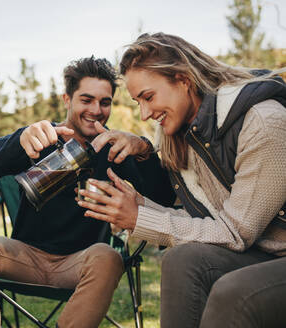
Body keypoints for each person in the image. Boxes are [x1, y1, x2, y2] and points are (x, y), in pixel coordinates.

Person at [78, 33, 286, 328]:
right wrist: (139, 207)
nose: (145, 113)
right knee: (181, 260)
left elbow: (235, 232)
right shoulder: (186, 136)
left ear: (184, 80)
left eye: (148, 97)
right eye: (138, 102)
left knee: (233, 294)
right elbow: (204, 221)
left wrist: (141, 219)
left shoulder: (263, 123)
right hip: (261, 252)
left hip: (267, 252)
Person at [0, 56, 175, 328]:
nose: (96, 109)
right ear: (67, 99)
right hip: (25, 256)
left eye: (105, 102)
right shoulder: (42, 136)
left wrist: (144, 149)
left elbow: (165, 196)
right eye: (86, 99)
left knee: (108, 257)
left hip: (81, 261)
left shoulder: (113, 147)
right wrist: (19, 139)